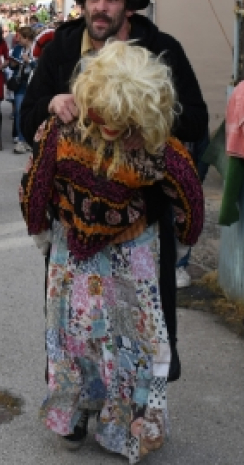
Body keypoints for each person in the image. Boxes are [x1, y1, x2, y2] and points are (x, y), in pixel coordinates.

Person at [20, 0, 209, 381]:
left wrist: (150, 126)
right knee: (72, 318)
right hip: (73, 218)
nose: (101, 7)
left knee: (136, 321)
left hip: (141, 219)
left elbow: (196, 118)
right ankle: (75, 399)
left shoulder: (162, 50)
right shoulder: (61, 51)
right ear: (82, 5)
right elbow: (26, 121)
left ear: (129, 7)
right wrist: (51, 103)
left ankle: (130, 408)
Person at [20, 41, 204, 460]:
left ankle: (124, 427)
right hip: (71, 251)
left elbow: (190, 191)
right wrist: (39, 230)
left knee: (133, 345)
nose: (110, 126)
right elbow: (37, 181)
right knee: (73, 338)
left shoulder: (156, 145)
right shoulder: (62, 129)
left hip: (131, 249)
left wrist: (186, 237)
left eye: (122, 120)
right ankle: (75, 414)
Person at [8, 26, 36, 154]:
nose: (18, 40)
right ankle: (21, 139)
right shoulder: (17, 49)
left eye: (21, 37)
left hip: (33, 84)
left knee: (32, 112)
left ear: (27, 38)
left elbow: (40, 65)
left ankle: (30, 138)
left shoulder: (36, 49)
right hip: (20, 84)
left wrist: (29, 61)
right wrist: (13, 64)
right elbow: (12, 65)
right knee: (19, 110)